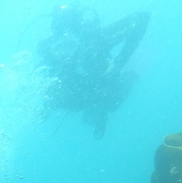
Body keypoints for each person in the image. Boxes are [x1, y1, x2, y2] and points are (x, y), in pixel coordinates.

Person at [38, 6, 150, 139]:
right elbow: (36, 79)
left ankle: (135, 71)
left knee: (113, 102)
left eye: (71, 44)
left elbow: (143, 17)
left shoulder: (96, 40)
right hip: (82, 93)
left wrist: (119, 63)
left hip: (104, 83)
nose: (67, 54)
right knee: (69, 101)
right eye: (61, 46)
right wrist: (43, 102)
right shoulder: (51, 55)